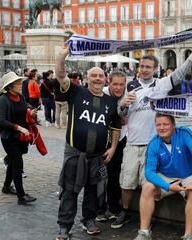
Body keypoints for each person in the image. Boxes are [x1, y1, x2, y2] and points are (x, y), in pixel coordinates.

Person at [111, 34, 192, 229]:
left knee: (148, 185)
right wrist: (123, 105)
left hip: (152, 144)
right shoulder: (130, 87)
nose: (144, 70)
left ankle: (147, 219)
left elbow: (180, 72)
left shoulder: (160, 85)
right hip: (132, 143)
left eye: (148, 67)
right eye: (141, 67)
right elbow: (120, 113)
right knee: (126, 183)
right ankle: (125, 211)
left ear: (155, 69)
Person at [55, 43, 121, 240]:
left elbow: (115, 127)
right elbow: (60, 76)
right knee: (69, 190)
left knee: (94, 190)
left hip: (98, 157)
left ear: (105, 79)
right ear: (87, 78)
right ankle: (64, 226)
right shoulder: (76, 92)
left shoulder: (111, 102)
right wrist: (61, 57)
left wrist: (113, 147)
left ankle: (89, 220)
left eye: (101, 76)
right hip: (75, 153)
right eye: (94, 76)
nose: (98, 79)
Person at [133, 113, 192, 240]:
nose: (161, 128)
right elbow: (149, 172)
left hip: (187, 175)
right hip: (167, 176)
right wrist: (168, 186)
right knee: (147, 187)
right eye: (158, 125)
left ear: (173, 125)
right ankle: (144, 232)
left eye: (165, 124)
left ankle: (188, 235)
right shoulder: (154, 143)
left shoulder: (184, 133)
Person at [0, 72, 37, 205]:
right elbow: (1, 121)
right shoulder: (3, 100)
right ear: (9, 86)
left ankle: (6, 187)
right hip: (8, 137)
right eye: (17, 83)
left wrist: (30, 112)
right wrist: (19, 128)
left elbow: (24, 110)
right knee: (18, 164)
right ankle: (21, 196)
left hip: (20, 137)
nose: (20, 85)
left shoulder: (21, 97)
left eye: (20, 82)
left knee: (14, 162)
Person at [96, 71, 128, 222]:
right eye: (115, 84)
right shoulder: (100, 94)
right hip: (101, 140)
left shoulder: (128, 95)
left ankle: (114, 207)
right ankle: (99, 209)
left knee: (115, 175)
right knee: (100, 175)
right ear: (109, 82)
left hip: (120, 140)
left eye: (122, 84)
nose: (118, 87)